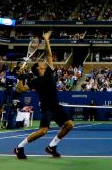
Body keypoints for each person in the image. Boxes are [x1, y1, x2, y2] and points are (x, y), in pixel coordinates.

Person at [13, 31, 74, 159]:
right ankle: (19, 147)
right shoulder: (34, 81)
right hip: (46, 107)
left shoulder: (49, 72)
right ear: (38, 68)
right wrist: (19, 77)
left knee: (69, 125)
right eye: (42, 63)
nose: (44, 62)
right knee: (43, 131)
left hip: (56, 105)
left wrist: (47, 40)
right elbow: (20, 90)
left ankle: (51, 147)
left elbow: (49, 54)